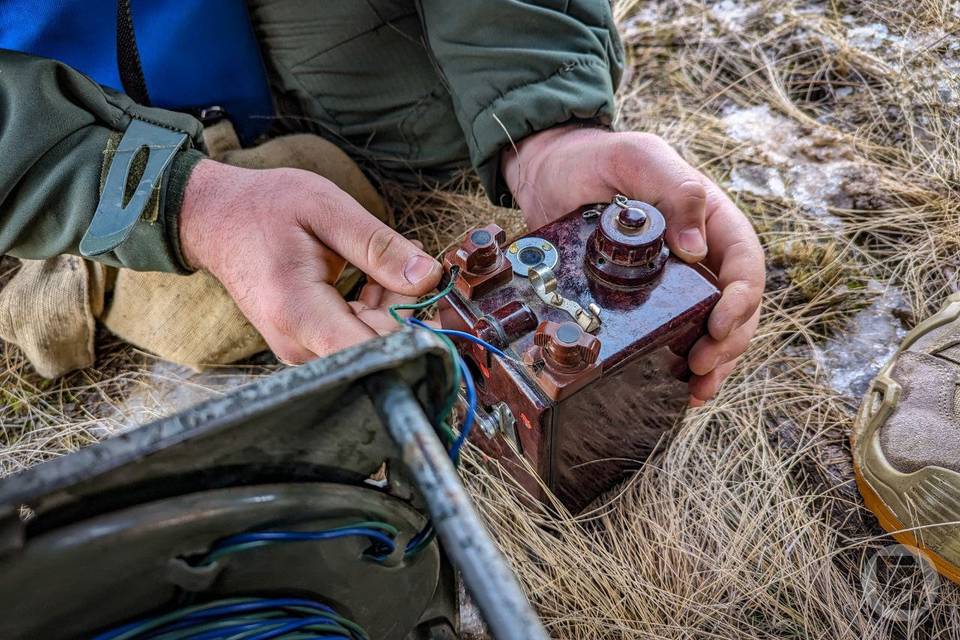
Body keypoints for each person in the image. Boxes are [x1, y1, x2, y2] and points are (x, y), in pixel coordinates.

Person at [0, 0, 764, 404]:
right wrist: (185, 204)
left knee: (432, 121)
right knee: (225, 307)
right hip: (40, 88)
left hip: (218, 30)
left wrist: (541, 127)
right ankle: (72, 244)